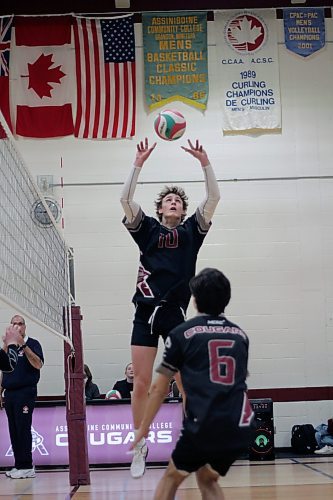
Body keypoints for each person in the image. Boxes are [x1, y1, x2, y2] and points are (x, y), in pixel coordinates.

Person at [120, 138, 220, 478]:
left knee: (187, 382)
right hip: (144, 312)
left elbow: (214, 198)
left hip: (175, 314)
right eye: (169, 200)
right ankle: (140, 445)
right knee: (142, 383)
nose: (174, 202)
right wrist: (138, 163)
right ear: (161, 209)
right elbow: (124, 199)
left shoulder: (193, 231)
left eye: (178, 200)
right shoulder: (146, 229)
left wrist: (204, 162)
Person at [132, 268, 254, 500]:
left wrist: (144, 428)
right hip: (240, 424)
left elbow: (158, 388)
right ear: (226, 299)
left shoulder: (182, 334)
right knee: (207, 477)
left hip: (205, 423)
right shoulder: (240, 335)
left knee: (171, 478)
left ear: (195, 301)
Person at [0, 315, 44, 479]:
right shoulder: (8, 347)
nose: (17, 326)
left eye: (20, 323)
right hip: (10, 394)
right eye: (13, 324)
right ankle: (19, 465)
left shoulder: (33, 344)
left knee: (23, 428)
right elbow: (4, 369)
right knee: (14, 430)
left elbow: (38, 364)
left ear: (24, 327)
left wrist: (22, 344)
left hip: (25, 392)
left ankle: (27, 465)